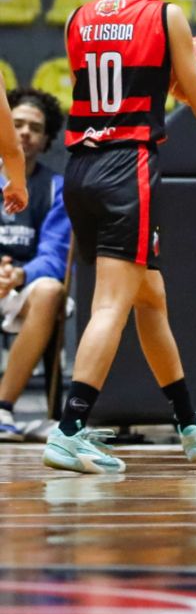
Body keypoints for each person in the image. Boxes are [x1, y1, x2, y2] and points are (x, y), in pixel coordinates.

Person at [42, 0, 196, 475]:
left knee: (149, 298)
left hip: (79, 167)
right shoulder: (165, 14)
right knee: (112, 303)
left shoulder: (77, 19)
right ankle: (70, 429)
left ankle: (188, 425)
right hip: (128, 168)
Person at [0, 89, 71, 441]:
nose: (25, 132)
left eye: (35, 128)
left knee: (51, 290)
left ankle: (2, 408)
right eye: (16, 125)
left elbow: (56, 255)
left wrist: (20, 274)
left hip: (24, 287)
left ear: (45, 140)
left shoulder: (56, 188)